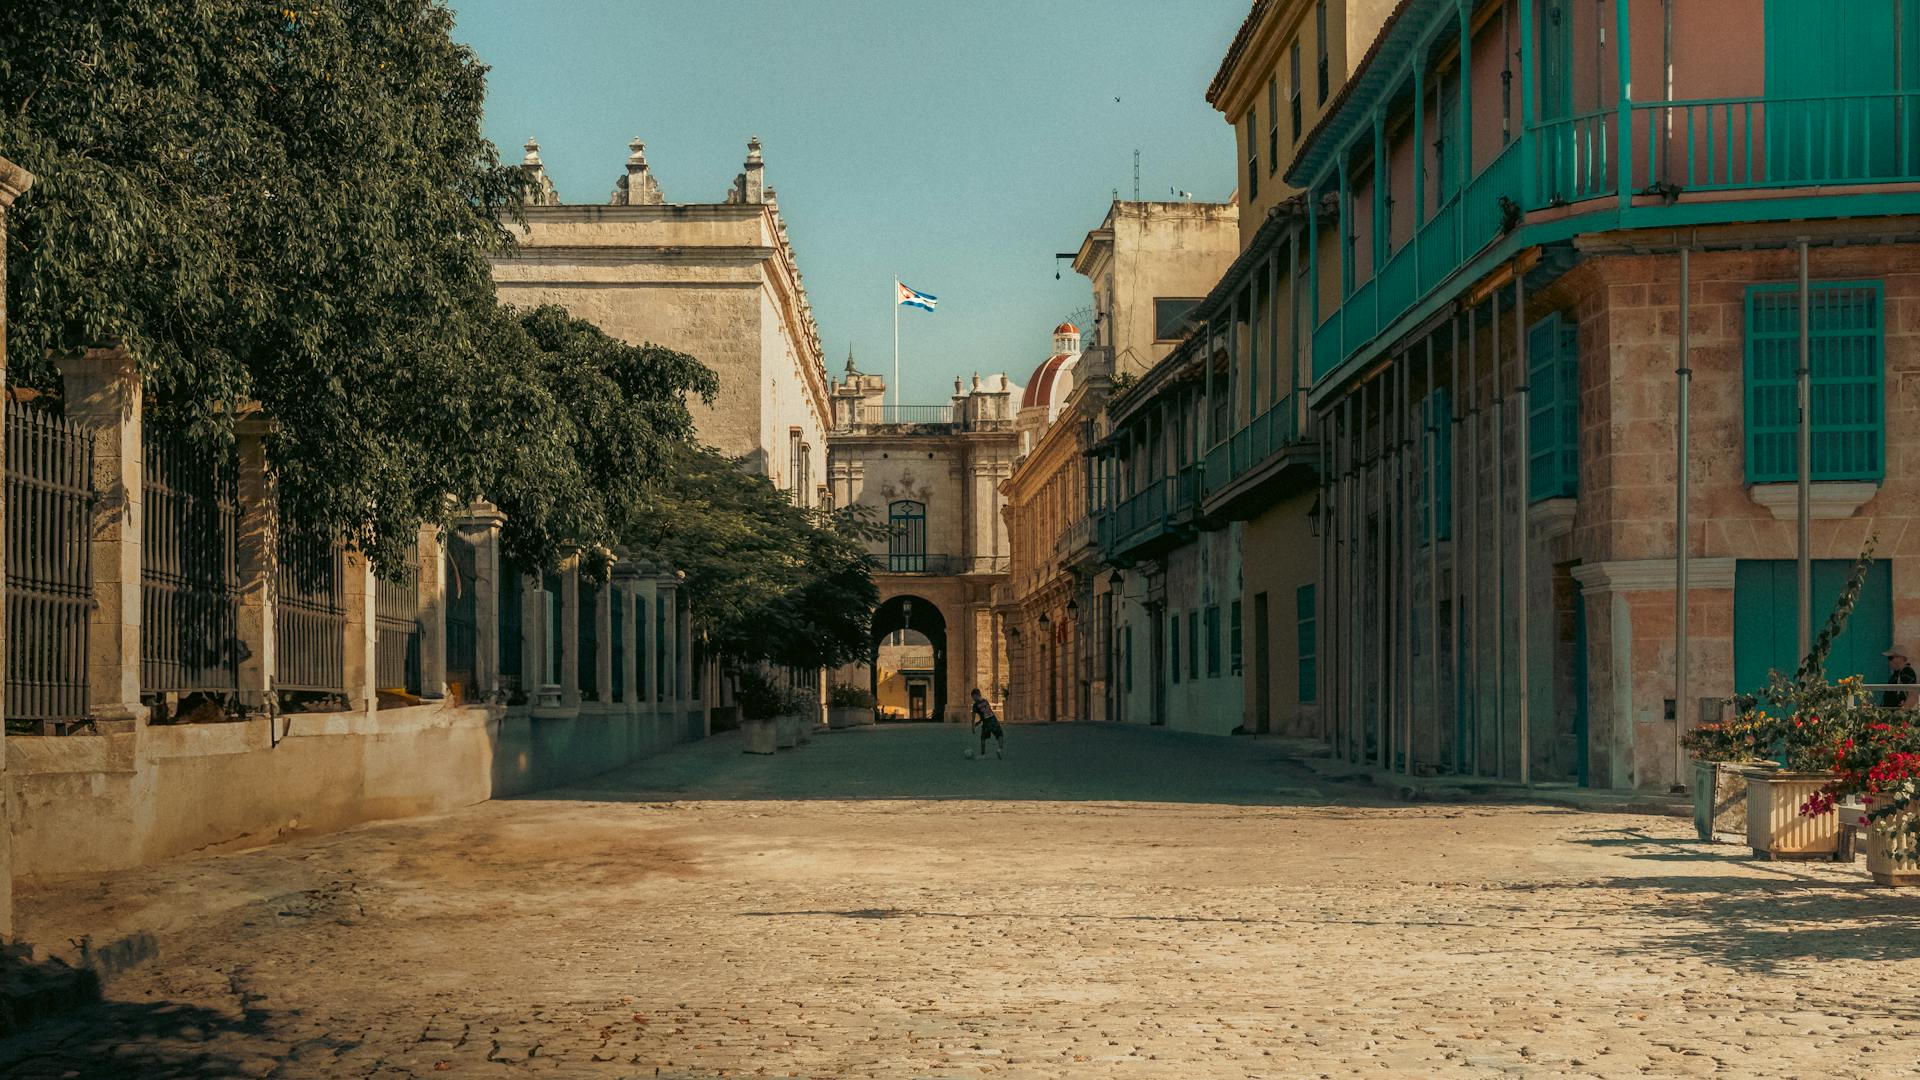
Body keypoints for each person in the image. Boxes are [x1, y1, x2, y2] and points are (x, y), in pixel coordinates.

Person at [970, 688, 1004, 759]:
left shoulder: (975, 705)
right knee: (1000, 734)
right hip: (993, 719)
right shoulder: (985, 701)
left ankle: (983, 755)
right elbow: (986, 713)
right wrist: (979, 722)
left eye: (973, 697)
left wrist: (973, 727)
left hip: (986, 723)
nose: (973, 699)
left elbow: (973, 717)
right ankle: (1000, 749)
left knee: (983, 738)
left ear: (976, 695)